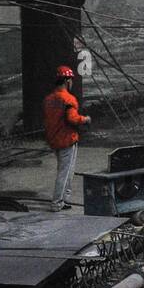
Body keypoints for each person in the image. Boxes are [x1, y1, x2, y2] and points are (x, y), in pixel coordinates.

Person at [43, 65, 91, 211]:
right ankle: (57, 202)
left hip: (54, 139)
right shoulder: (68, 99)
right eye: (71, 80)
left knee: (65, 170)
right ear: (67, 81)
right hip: (67, 139)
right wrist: (85, 119)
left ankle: (65, 199)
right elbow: (72, 118)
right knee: (65, 172)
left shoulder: (49, 99)